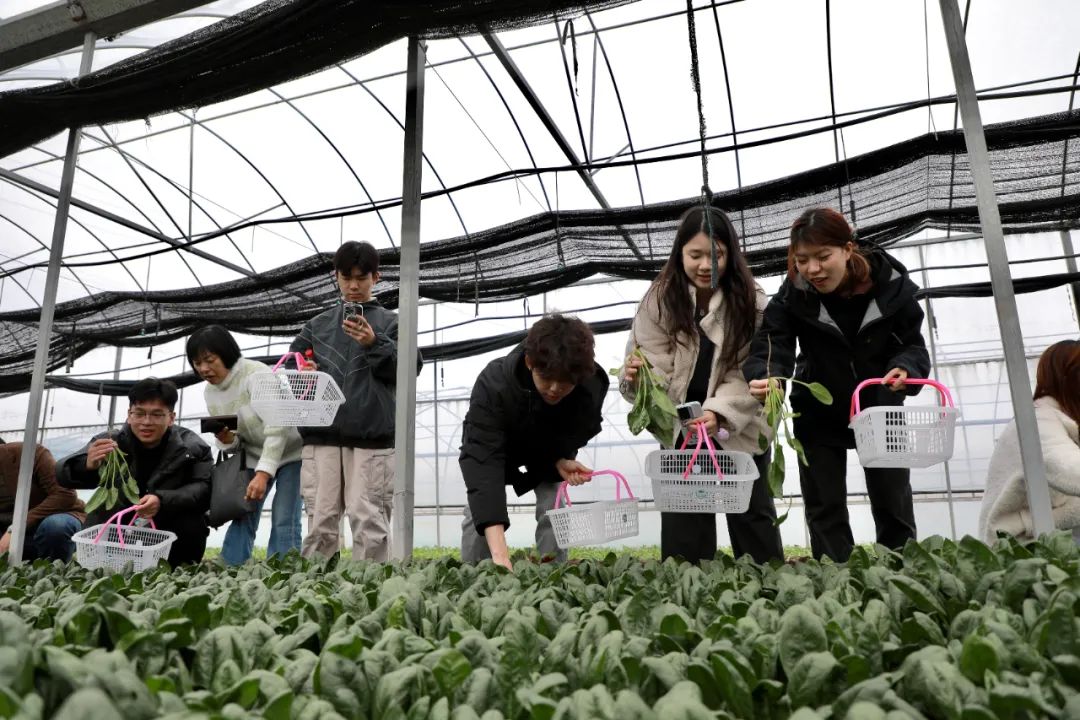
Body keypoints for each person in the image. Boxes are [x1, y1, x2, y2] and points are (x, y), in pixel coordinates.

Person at [744, 207, 931, 563]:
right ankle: (835, 574)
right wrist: (768, 374)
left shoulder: (891, 288)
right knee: (823, 503)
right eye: (802, 260)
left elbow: (912, 345)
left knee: (893, 500)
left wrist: (904, 368)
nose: (812, 269)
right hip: (817, 407)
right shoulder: (794, 294)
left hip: (879, 402)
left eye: (822, 257)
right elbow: (774, 340)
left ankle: (900, 570)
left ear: (848, 248)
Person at [618, 205, 783, 565]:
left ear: (730, 255)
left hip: (737, 426)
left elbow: (748, 372)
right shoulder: (659, 301)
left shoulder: (751, 303)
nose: (705, 264)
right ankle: (688, 590)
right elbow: (653, 361)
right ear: (679, 254)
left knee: (752, 513)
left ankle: (767, 587)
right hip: (683, 426)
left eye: (716, 255)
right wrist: (638, 378)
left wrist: (718, 413)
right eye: (695, 255)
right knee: (685, 520)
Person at [290, 240, 422, 560]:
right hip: (322, 436)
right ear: (336, 276)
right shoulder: (317, 326)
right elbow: (295, 365)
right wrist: (304, 370)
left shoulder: (392, 323)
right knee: (321, 520)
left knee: (369, 517)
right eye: (346, 277)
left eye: (361, 278)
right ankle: (317, 590)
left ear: (376, 278)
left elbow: (410, 367)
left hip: (371, 438)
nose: (353, 286)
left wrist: (375, 342)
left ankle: (372, 588)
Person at [460, 314, 607, 569]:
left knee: (554, 503)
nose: (554, 389)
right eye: (546, 378)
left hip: (547, 450)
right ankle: (476, 573)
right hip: (496, 449)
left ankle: (554, 572)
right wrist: (501, 556)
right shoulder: (494, 385)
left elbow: (574, 432)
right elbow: (483, 464)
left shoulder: (588, 389)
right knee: (480, 511)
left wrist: (558, 461)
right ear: (529, 362)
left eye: (565, 383)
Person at [58, 378, 212, 567]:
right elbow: (62, 474)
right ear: (129, 415)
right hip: (118, 525)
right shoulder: (110, 441)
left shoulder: (193, 447)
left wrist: (161, 500)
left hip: (168, 526)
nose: (146, 422)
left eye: (156, 415)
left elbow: (203, 489)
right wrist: (86, 464)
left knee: (191, 522)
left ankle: (181, 567)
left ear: (171, 417)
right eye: (139, 413)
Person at [187, 325, 304, 564]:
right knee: (244, 510)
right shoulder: (210, 393)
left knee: (285, 513)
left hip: (291, 452)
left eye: (209, 360)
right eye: (197, 363)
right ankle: (231, 563)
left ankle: (283, 568)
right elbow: (238, 439)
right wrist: (228, 440)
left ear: (227, 354)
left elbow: (278, 427)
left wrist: (263, 473)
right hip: (254, 454)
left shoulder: (256, 375)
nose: (203, 369)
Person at [980, 340, 1080, 542]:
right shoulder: (1038, 420)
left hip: (1044, 534)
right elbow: (1069, 470)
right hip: (1016, 546)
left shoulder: (1060, 419)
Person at [0, 440, 85, 561]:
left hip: (46, 522)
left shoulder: (29, 453)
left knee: (57, 526)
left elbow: (65, 494)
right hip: (7, 532)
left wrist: (15, 529)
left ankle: (53, 572)